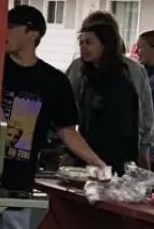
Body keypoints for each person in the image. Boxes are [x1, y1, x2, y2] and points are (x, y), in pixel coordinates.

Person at [0, 4, 107, 229]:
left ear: (33, 33)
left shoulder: (52, 81)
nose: (4, 31)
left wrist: (99, 164)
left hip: (18, 179)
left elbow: (66, 131)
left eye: (11, 26)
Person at [65, 9, 153, 166]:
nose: (84, 47)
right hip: (90, 155)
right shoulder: (86, 70)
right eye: (82, 42)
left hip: (112, 159)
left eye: (89, 41)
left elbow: (138, 119)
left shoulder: (122, 78)